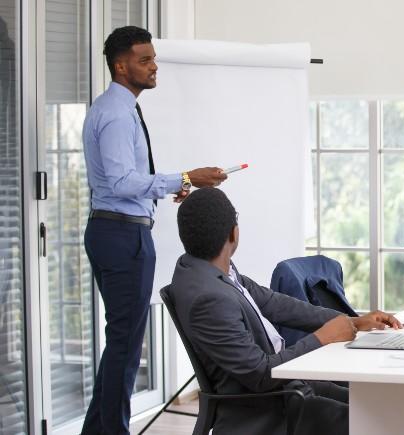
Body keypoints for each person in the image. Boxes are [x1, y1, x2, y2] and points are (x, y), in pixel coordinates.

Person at [81, 26, 228, 434]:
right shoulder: (114, 113)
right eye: (144, 60)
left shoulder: (122, 108)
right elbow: (119, 182)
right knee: (125, 346)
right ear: (120, 65)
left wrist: (174, 186)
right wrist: (183, 177)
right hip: (120, 235)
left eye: (153, 58)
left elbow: (127, 182)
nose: (153, 66)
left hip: (124, 230)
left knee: (124, 344)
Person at [168, 187, 402, 435]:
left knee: (380, 406)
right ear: (233, 234)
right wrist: (323, 337)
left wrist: (352, 321)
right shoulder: (209, 298)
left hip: (290, 388)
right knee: (379, 422)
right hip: (271, 407)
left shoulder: (206, 268)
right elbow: (259, 373)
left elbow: (274, 304)